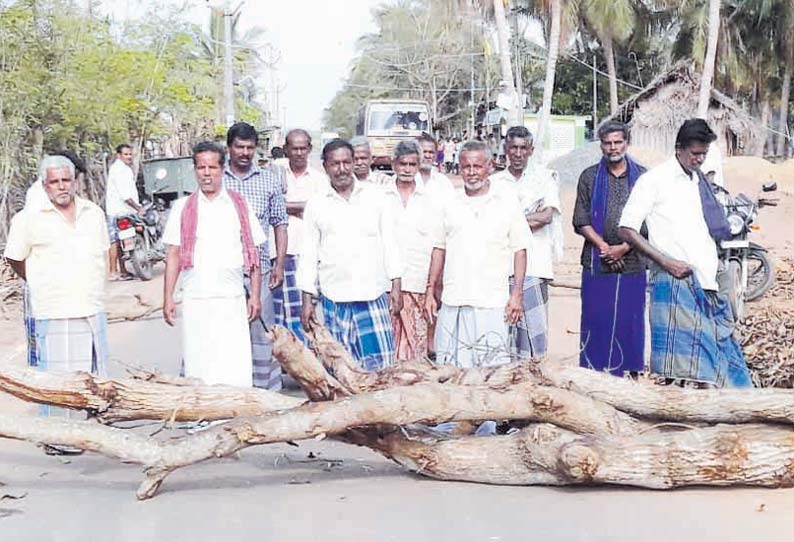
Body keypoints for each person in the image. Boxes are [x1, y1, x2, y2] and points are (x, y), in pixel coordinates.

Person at [618, 119, 752, 388]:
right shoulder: (654, 180)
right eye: (695, 153)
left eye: (704, 154)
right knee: (691, 369)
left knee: (721, 358)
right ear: (679, 148)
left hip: (706, 281)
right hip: (675, 281)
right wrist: (667, 262)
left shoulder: (698, 182)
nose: (700, 159)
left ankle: (732, 416)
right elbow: (626, 229)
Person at [5, 155, 110, 452]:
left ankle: (94, 435)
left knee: (91, 376)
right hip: (54, 307)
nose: (62, 187)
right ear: (44, 185)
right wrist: (37, 281)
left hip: (91, 305)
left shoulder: (94, 213)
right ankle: (58, 439)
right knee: (58, 380)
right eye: (55, 182)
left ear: (75, 181)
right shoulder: (27, 219)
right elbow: (15, 258)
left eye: (67, 180)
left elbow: (101, 253)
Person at [162, 142, 267, 388]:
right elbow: (174, 255)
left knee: (234, 362)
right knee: (199, 361)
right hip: (196, 297)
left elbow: (254, 252)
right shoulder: (182, 208)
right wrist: (167, 297)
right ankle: (202, 419)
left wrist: (255, 296)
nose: (206, 173)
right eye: (201, 167)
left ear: (222, 169)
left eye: (212, 167)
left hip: (231, 297)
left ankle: (233, 417)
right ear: (194, 170)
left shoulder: (238, 205)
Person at [297, 139, 403, 371]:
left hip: (372, 295)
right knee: (342, 371)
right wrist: (307, 299)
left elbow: (391, 242)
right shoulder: (317, 204)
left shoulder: (377, 198)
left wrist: (396, 285)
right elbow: (308, 253)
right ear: (325, 167)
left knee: (382, 371)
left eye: (347, 162)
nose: (342, 169)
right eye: (335, 164)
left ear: (355, 163)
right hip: (335, 299)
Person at [425, 140, 530, 368]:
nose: (471, 173)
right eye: (466, 167)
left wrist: (517, 295)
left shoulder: (506, 201)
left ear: (490, 167)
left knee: (492, 371)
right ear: (460, 168)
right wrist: (430, 290)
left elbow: (520, 250)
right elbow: (438, 248)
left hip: (492, 302)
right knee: (452, 370)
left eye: (477, 166)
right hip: (454, 300)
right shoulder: (448, 201)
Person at [573, 121, 647, 377]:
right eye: (608, 143)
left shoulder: (644, 178)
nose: (613, 147)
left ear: (627, 143)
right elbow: (580, 220)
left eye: (618, 142)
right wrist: (605, 247)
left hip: (633, 259)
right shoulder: (589, 176)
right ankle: (594, 373)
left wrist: (624, 248)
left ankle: (629, 373)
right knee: (597, 316)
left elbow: (648, 222)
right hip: (596, 258)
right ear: (601, 145)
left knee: (630, 318)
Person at [222, 122, 289, 391]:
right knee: (225, 332)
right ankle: (229, 391)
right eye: (240, 146)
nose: (245, 153)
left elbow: (280, 224)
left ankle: (266, 394)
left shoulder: (268, 180)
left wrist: (279, 265)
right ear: (229, 148)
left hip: (259, 270)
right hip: (224, 271)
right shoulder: (217, 180)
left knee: (262, 333)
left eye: (250, 147)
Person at [490, 126, 563, 359]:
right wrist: (528, 216)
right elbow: (493, 223)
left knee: (534, 331)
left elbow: (546, 216)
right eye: (514, 148)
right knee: (504, 328)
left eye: (523, 148)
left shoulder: (544, 178)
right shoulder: (494, 182)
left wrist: (510, 221)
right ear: (506, 150)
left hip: (536, 264)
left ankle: (533, 379)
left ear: (531, 150)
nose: (518, 153)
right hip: (501, 266)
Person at [383, 141, 438, 361]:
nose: (407, 169)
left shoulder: (430, 200)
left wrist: (433, 288)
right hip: (386, 285)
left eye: (412, 164)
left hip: (418, 285)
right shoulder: (380, 197)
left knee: (417, 351)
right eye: (402, 163)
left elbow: (437, 246)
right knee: (389, 350)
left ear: (418, 166)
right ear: (394, 164)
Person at [273, 129, 328, 345]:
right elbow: (269, 205)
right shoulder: (275, 173)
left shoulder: (320, 180)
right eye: (294, 148)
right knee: (279, 313)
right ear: (286, 149)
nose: (298, 153)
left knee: (304, 311)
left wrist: (283, 206)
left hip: (308, 253)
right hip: (279, 253)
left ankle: (306, 362)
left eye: (302, 148)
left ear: (310, 149)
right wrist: (301, 207)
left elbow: (318, 210)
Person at [105, 143, 142, 281]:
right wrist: (139, 208)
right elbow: (125, 196)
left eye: (130, 154)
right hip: (117, 210)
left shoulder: (125, 169)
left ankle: (123, 270)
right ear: (118, 155)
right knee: (114, 241)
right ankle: (113, 271)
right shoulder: (118, 170)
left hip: (127, 210)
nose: (129, 157)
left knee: (122, 240)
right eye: (125, 154)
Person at [416, 133, 456, 197]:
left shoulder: (443, 182)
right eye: (424, 152)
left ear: (435, 155)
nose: (427, 156)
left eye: (431, 152)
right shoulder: (404, 179)